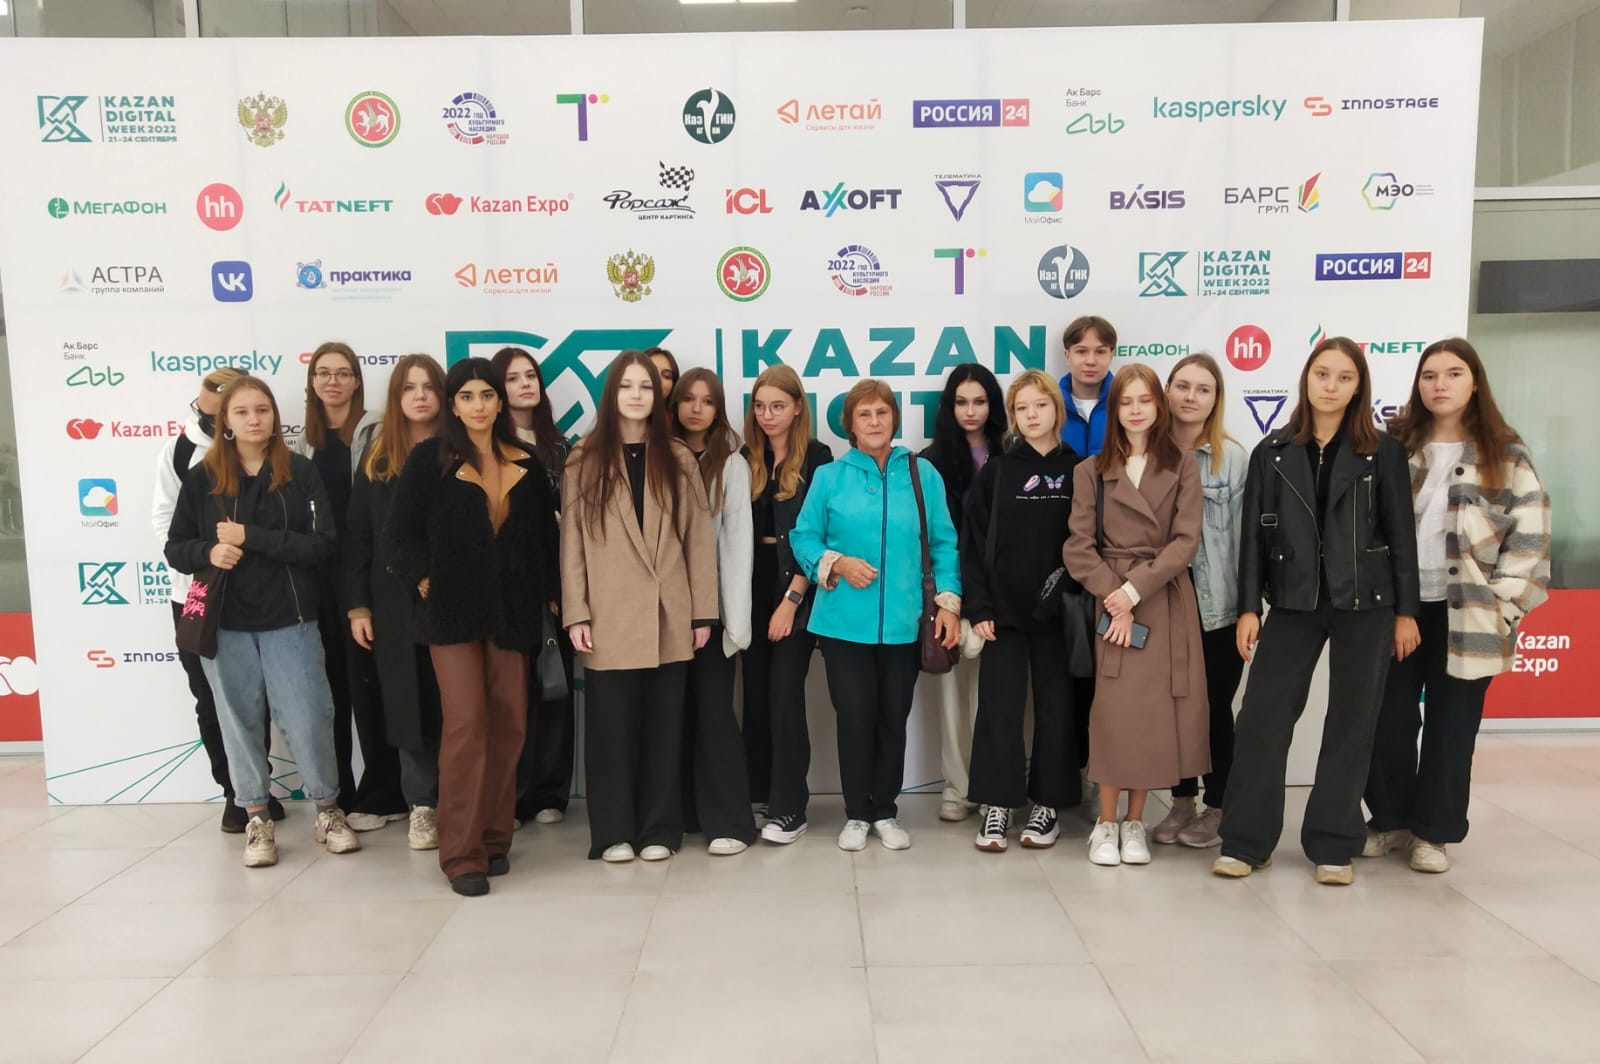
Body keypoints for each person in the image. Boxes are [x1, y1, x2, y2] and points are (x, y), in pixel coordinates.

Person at [1214, 336, 1421, 886]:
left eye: (1344, 377)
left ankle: (1333, 843)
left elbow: (1401, 535)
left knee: (1352, 722)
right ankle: (1246, 841)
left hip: (1368, 604)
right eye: (1322, 374)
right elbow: (1253, 538)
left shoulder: (1384, 452)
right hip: (1292, 600)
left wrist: (1406, 612)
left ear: (1359, 388)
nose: (1331, 386)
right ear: (1306, 379)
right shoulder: (1273, 451)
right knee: (1261, 719)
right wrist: (1248, 608)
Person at [1363, 338, 1550, 874]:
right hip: (1398, 608)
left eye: (1453, 374)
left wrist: (1501, 609)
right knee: (1386, 719)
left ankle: (1433, 833)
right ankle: (1390, 819)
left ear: (1474, 383)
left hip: (1468, 613)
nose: (1439, 384)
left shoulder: (1506, 455)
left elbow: (1531, 541)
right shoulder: (1394, 446)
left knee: (1452, 727)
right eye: (1429, 375)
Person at [384, 358, 561, 896]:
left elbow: (544, 543)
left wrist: (550, 597)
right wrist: (425, 581)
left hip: (513, 614)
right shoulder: (429, 459)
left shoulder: (527, 460)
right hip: (452, 615)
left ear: (500, 402)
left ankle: (493, 838)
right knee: (465, 725)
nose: (479, 405)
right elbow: (398, 537)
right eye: (467, 396)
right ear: (453, 405)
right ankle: (461, 854)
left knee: (510, 724)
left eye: (487, 395)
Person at [165, 376, 356, 867]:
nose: (254, 419)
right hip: (224, 624)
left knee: (310, 718)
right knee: (237, 723)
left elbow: (322, 545)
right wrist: (208, 550)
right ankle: (256, 817)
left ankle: (328, 812)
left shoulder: (300, 472)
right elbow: (175, 548)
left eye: (263, 410)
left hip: (291, 619)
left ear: (275, 417)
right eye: (243, 412)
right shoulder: (203, 477)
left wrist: (252, 537)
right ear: (225, 422)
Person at [790, 380, 961, 852]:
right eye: (864, 414)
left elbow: (944, 543)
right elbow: (803, 537)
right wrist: (837, 564)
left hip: (906, 624)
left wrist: (948, 605)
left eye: (882, 413)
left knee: (892, 717)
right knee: (855, 717)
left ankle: (885, 810)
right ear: (850, 424)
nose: (874, 422)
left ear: (894, 419)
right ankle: (856, 813)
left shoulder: (922, 474)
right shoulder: (829, 476)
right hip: (842, 625)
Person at [561, 351, 717, 862]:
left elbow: (698, 540)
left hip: (669, 611)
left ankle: (659, 831)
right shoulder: (584, 458)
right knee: (612, 732)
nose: (635, 395)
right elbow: (572, 543)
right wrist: (577, 611)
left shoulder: (677, 457)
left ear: (657, 396)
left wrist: (702, 613)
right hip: (608, 614)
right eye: (626, 386)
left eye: (645, 386)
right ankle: (613, 833)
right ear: (612, 393)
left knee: (663, 730)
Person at [1064, 364, 1207, 867]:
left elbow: (1185, 542)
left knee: (1151, 715)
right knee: (1113, 712)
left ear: (1159, 406)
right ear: (1113, 409)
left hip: (1162, 600)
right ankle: (1105, 823)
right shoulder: (1090, 471)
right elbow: (1078, 547)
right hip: (1111, 602)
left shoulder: (1183, 465)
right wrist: (1115, 596)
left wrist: (1132, 592)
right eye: (1126, 401)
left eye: (1145, 400)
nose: (1136, 410)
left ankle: (1134, 823)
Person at [152, 367, 285, 832]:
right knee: (210, 698)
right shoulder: (181, 451)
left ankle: (257, 788)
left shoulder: (274, 454)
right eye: (209, 408)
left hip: (260, 593)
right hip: (197, 594)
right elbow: (165, 525)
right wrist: (205, 558)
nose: (241, 417)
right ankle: (234, 793)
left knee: (256, 696)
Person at [964, 369, 1083, 852]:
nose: (1032, 415)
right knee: (1000, 710)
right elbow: (973, 544)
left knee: (1057, 711)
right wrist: (978, 606)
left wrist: (1067, 589)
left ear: (1057, 408)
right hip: (1003, 616)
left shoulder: (1080, 470)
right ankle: (997, 805)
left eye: (1041, 405)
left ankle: (1048, 805)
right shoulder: (997, 471)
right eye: (1022, 408)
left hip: (1060, 616)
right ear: (1013, 416)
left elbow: (1090, 542)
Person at [290, 341, 400, 829]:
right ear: (312, 382)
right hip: (318, 582)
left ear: (357, 380)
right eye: (323, 373)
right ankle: (339, 797)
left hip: (366, 577)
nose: (332, 381)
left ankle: (384, 793)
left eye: (342, 373)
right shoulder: (303, 442)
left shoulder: (377, 431)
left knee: (370, 687)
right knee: (329, 689)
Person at [344, 354, 447, 851]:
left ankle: (468, 801)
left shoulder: (462, 452)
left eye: (429, 386)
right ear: (396, 397)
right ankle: (422, 806)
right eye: (409, 387)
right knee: (409, 704)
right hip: (392, 603)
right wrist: (358, 606)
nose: (420, 396)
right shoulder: (377, 458)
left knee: (459, 702)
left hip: (454, 598)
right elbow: (358, 537)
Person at [1150, 354, 1249, 849]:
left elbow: (1250, 542)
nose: (1191, 397)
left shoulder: (1234, 459)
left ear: (1216, 399)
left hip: (1219, 609)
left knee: (1213, 709)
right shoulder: (1148, 454)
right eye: (1183, 386)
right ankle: (1182, 801)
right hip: (1163, 604)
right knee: (1171, 709)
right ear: (1167, 391)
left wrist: (1250, 609)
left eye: (1203, 389)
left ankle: (1219, 805)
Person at [742, 366, 833, 845]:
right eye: (760, 406)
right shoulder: (745, 457)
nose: (768, 415)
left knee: (783, 696)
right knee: (755, 696)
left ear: (798, 407)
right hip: (749, 586)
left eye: (778, 406)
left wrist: (792, 599)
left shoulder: (818, 458)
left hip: (795, 586)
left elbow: (820, 534)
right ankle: (760, 793)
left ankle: (789, 807)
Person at [670, 367, 758, 855]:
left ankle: (729, 821)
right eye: (688, 399)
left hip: (714, 613)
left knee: (714, 713)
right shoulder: (659, 455)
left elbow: (738, 546)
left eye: (707, 401)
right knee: (673, 717)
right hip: (661, 612)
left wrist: (735, 623)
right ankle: (683, 814)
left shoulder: (732, 464)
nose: (696, 409)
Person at [490, 346, 574, 827]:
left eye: (530, 376)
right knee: (511, 694)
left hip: (559, 582)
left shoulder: (560, 447)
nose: (525, 384)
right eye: (513, 377)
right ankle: (514, 794)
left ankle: (550, 793)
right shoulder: (489, 446)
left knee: (555, 685)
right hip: (508, 587)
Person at [920, 364, 1005, 823]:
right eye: (961, 402)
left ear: (993, 404)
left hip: (999, 595)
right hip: (949, 595)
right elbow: (930, 539)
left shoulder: (1010, 453)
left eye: (979, 401)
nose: (970, 411)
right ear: (949, 407)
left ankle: (993, 786)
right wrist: (945, 598)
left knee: (995, 699)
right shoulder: (929, 461)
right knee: (951, 696)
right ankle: (957, 787)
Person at [1056, 315, 1117, 457]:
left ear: (1111, 356)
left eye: (1100, 352)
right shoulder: (1051, 406)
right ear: (1067, 356)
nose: (1091, 361)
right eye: (1081, 351)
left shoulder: (1125, 404)